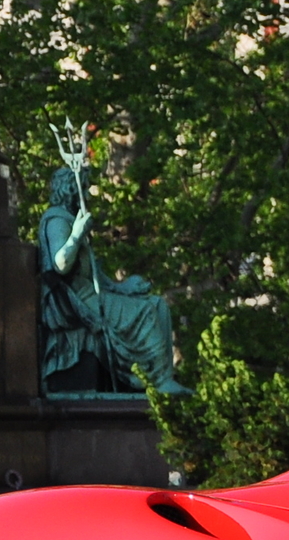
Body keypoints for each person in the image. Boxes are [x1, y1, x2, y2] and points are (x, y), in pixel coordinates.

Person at [38, 163, 187, 394]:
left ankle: (158, 378)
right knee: (146, 312)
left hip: (93, 293)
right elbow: (61, 265)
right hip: (78, 300)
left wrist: (123, 287)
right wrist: (77, 234)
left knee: (158, 305)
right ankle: (152, 379)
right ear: (70, 190)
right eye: (84, 189)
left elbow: (94, 273)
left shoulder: (70, 217)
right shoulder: (57, 220)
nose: (87, 194)